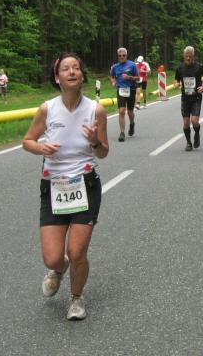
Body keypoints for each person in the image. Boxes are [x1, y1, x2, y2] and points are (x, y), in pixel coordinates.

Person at [22, 52, 109, 321]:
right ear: (57, 77)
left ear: (82, 76)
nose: (71, 72)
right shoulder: (47, 109)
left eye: (76, 68)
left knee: (77, 251)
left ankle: (76, 298)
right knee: (53, 258)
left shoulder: (96, 110)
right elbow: (27, 141)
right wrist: (41, 148)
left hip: (85, 184)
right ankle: (60, 269)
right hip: (53, 187)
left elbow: (104, 152)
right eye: (65, 68)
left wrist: (95, 141)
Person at [173, 46, 203, 151]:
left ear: (193, 56)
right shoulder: (180, 68)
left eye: (190, 56)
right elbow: (176, 80)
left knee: (194, 121)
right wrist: (176, 84)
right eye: (186, 56)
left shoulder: (199, 67)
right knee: (186, 122)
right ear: (184, 56)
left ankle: (197, 134)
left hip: (196, 97)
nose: (188, 58)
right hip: (185, 98)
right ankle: (188, 143)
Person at [109, 48, 139, 142]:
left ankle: (132, 123)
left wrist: (129, 77)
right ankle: (122, 133)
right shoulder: (115, 67)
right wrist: (113, 82)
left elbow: (138, 78)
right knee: (121, 111)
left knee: (130, 112)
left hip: (131, 89)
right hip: (120, 90)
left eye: (123, 55)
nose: (122, 57)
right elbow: (112, 76)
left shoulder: (132, 65)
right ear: (118, 56)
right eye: (120, 56)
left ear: (126, 55)